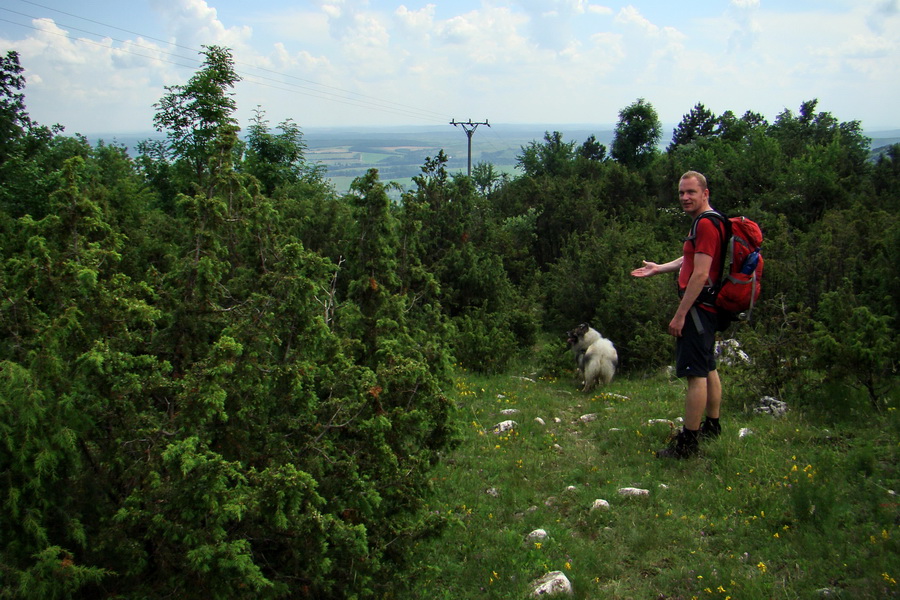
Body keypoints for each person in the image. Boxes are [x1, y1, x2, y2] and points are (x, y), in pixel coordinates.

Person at [631, 171, 725, 458]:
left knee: (695, 375)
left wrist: (680, 314)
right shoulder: (712, 221)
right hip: (709, 308)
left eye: (691, 192)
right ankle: (713, 426)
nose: (685, 197)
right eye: (682, 192)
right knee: (708, 367)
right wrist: (660, 267)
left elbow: (700, 273)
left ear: (705, 193)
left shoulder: (706, 224)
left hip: (698, 309)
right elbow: (691, 259)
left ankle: (688, 445)